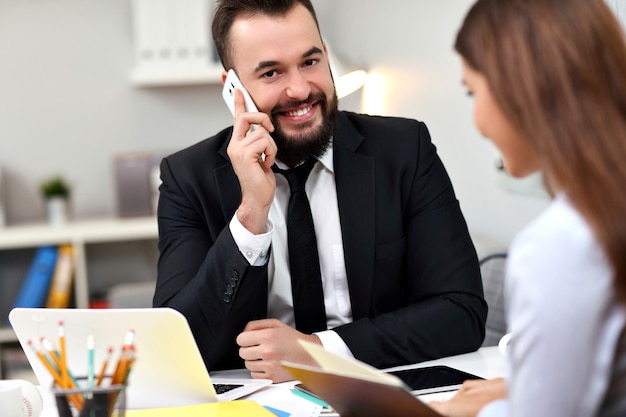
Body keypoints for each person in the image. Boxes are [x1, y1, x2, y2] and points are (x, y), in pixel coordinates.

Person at [153, 0, 487, 383]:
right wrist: (250, 215)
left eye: (310, 62)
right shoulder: (187, 177)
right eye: (272, 72)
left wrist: (320, 352)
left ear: (327, 56)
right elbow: (178, 348)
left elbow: (462, 312)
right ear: (232, 88)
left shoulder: (404, 149)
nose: (299, 90)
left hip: (379, 393)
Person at [431, 0, 626, 415]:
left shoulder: (560, 244)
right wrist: (517, 389)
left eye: (473, 92)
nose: (477, 120)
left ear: (521, 87)